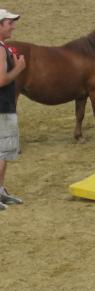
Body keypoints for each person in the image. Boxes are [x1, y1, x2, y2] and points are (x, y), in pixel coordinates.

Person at [0, 9, 25, 211]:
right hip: (2, 108)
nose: (13, 26)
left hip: (4, 106)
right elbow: (1, 80)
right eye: (9, 23)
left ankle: (1, 191)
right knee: (2, 152)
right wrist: (19, 68)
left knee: (5, 152)